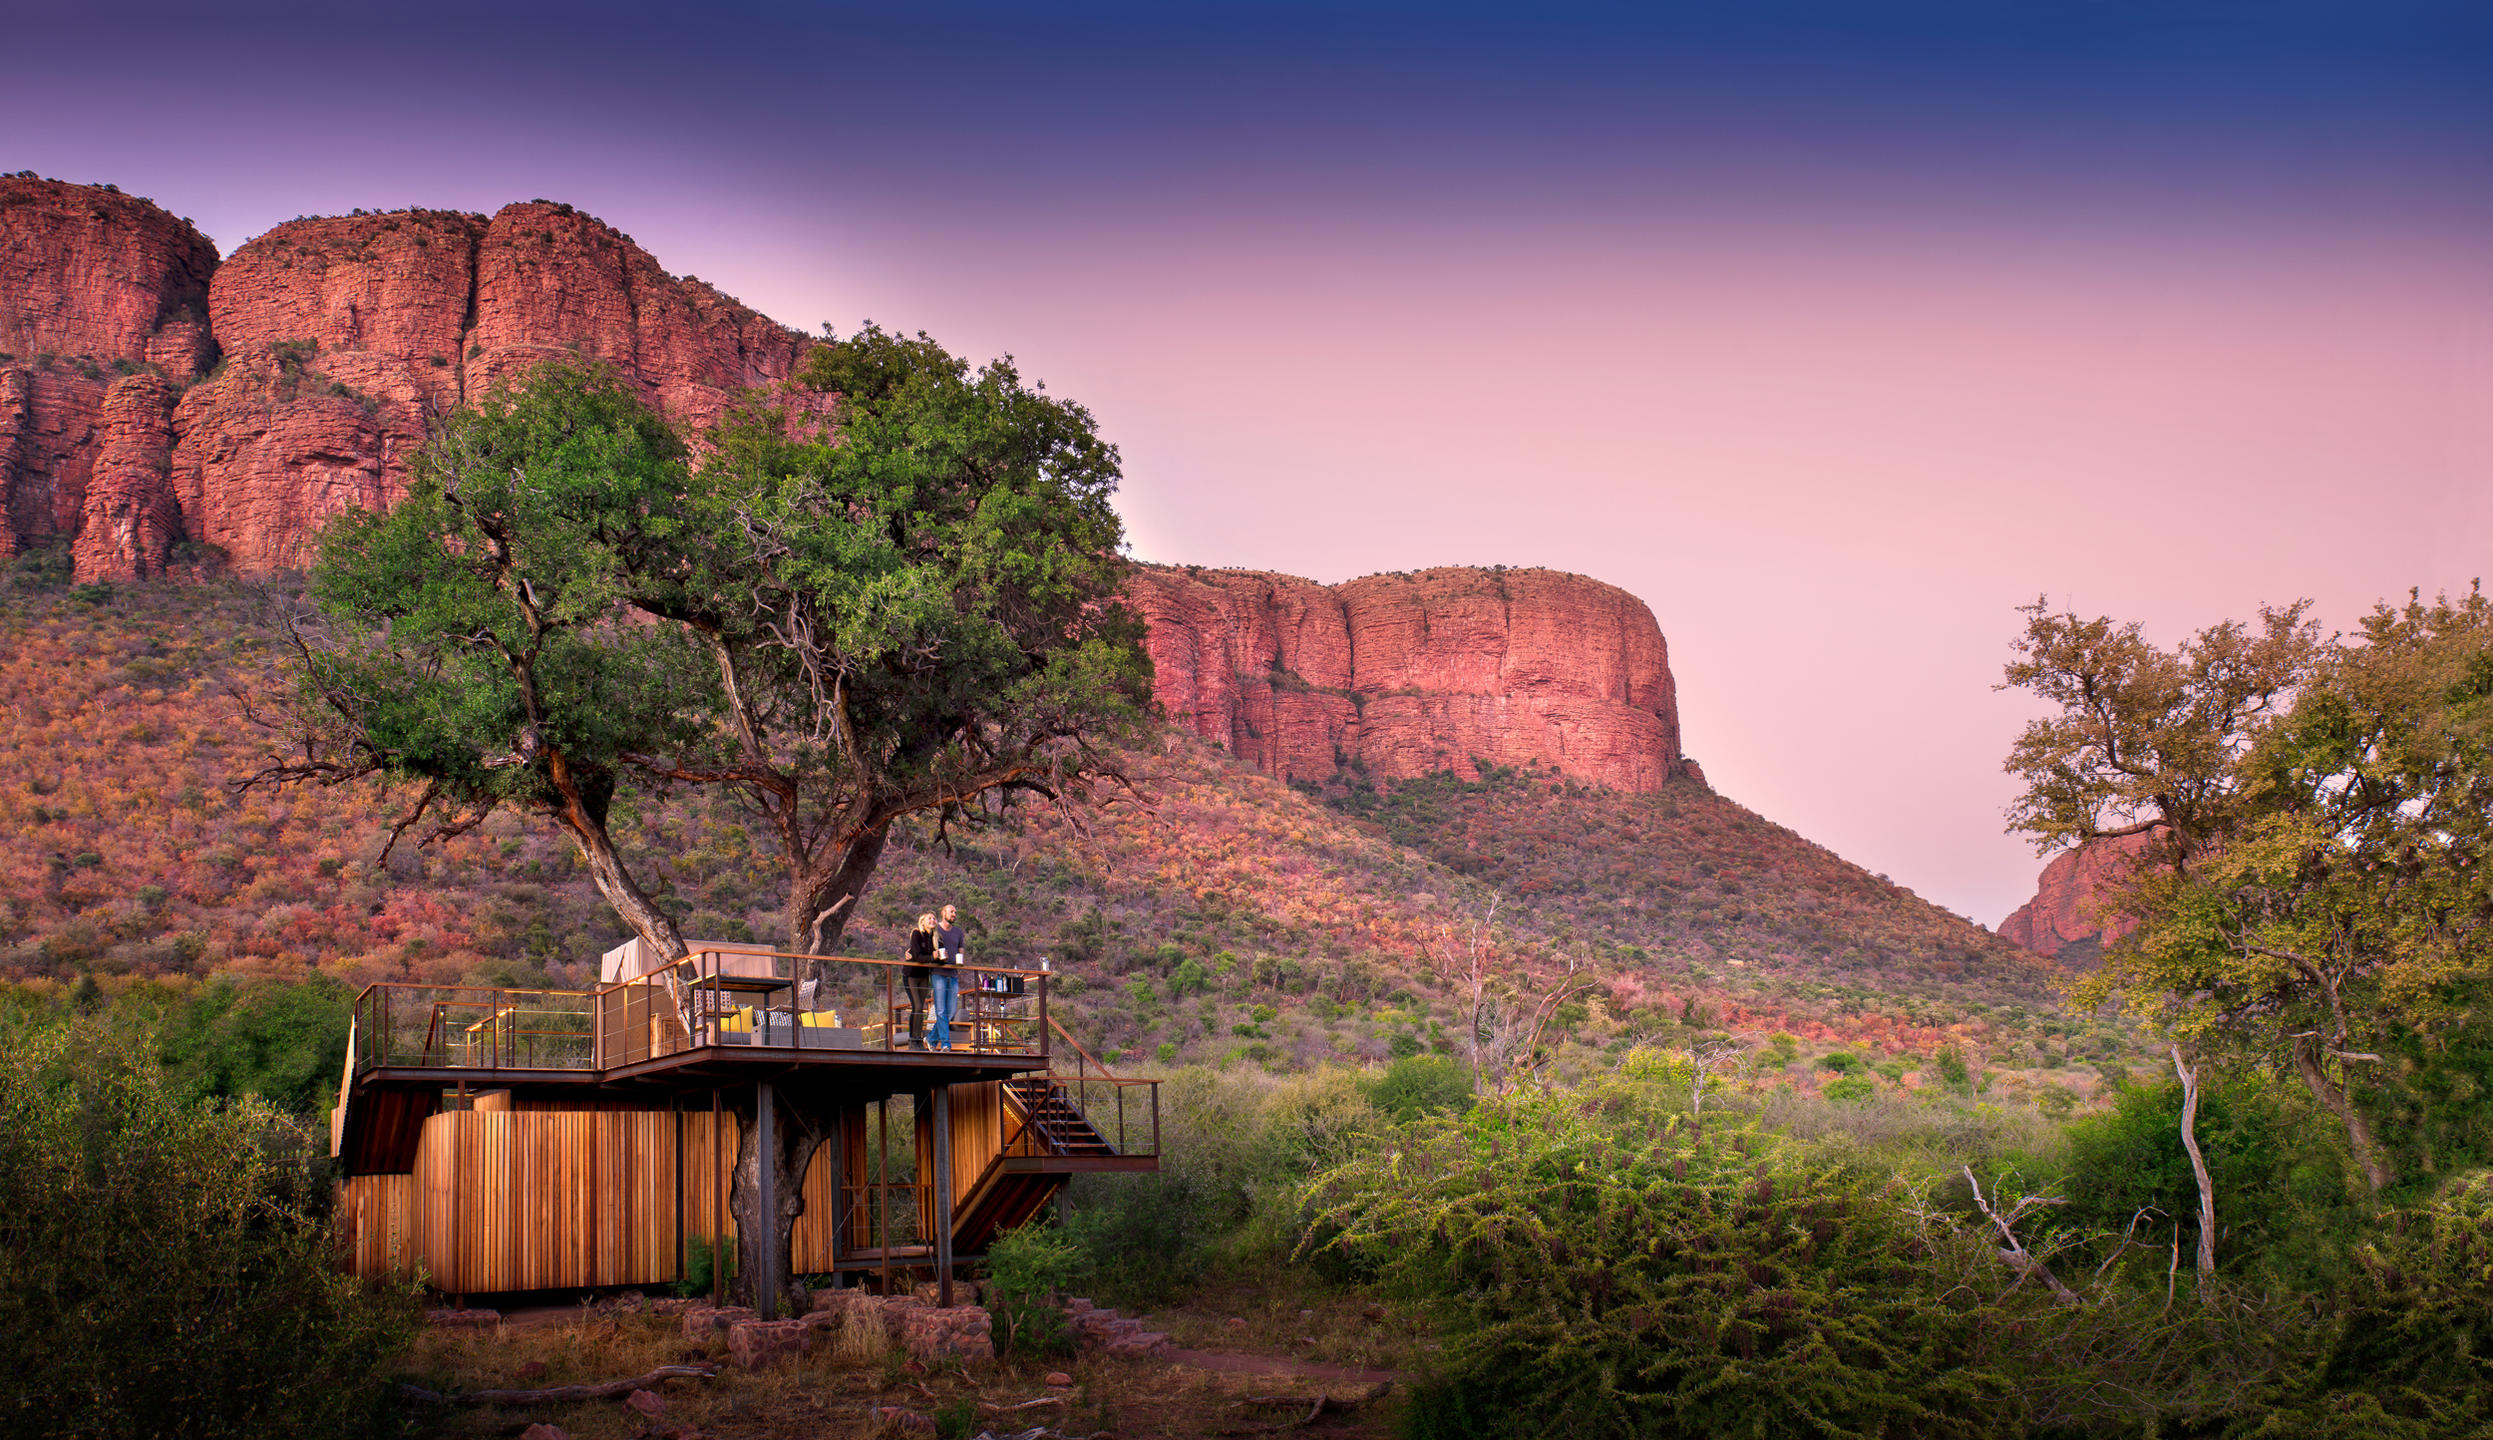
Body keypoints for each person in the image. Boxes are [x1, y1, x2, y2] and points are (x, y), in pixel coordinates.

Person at [933, 904, 969, 1051]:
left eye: (955, 912)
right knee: (941, 1010)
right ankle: (946, 1044)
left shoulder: (958, 932)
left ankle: (930, 1039)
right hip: (938, 973)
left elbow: (961, 950)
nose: (954, 914)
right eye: (951, 911)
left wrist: (960, 961)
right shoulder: (935, 930)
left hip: (953, 974)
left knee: (951, 1010)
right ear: (943, 913)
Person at [902, 913, 938, 1049]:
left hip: (924, 976)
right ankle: (913, 1039)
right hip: (911, 974)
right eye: (929, 918)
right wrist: (933, 957)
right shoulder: (917, 934)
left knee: (921, 1007)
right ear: (922, 922)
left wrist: (936, 957)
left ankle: (918, 1039)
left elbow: (940, 954)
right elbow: (917, 956)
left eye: (934, 918)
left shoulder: (934, 938)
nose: (932, 920)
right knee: (916, 1006)